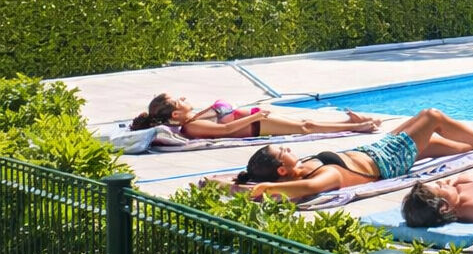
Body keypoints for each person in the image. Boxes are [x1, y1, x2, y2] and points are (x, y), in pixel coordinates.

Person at [234, 108, 473, 201]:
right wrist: (265, 188)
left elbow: (241, 183)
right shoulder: (323, 176)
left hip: (377, 150)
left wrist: (232, 183)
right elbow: (305, 189)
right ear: (281, 170)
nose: (287, 148)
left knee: (432, 143)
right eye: (283, 151)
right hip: (388, 161)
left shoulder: (299, 167)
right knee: (432, 117)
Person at [129, 93, 381, 139]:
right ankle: (355, 127)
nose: (185, 97)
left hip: (256, 118)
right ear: (176, 113)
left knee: (305, 123)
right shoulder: (191, 128)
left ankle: (351, 122)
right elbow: (226, 130)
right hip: (256, 125)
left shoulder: (194, 117)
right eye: (180, 100)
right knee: (307, 126)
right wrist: (254, 117)